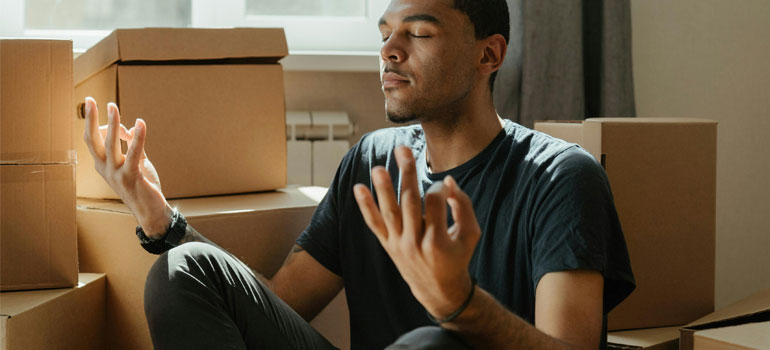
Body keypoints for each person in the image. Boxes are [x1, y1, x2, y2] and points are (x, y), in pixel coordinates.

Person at [81, 0, 635, 349]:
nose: (389, 50)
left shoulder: (561, 177)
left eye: (418, 33)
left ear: (488, 55)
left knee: (435, 344)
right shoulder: (372, 161)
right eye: (385, 31)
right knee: (185, 271)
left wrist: (459, 304)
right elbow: (272, 307)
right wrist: (160, 218)